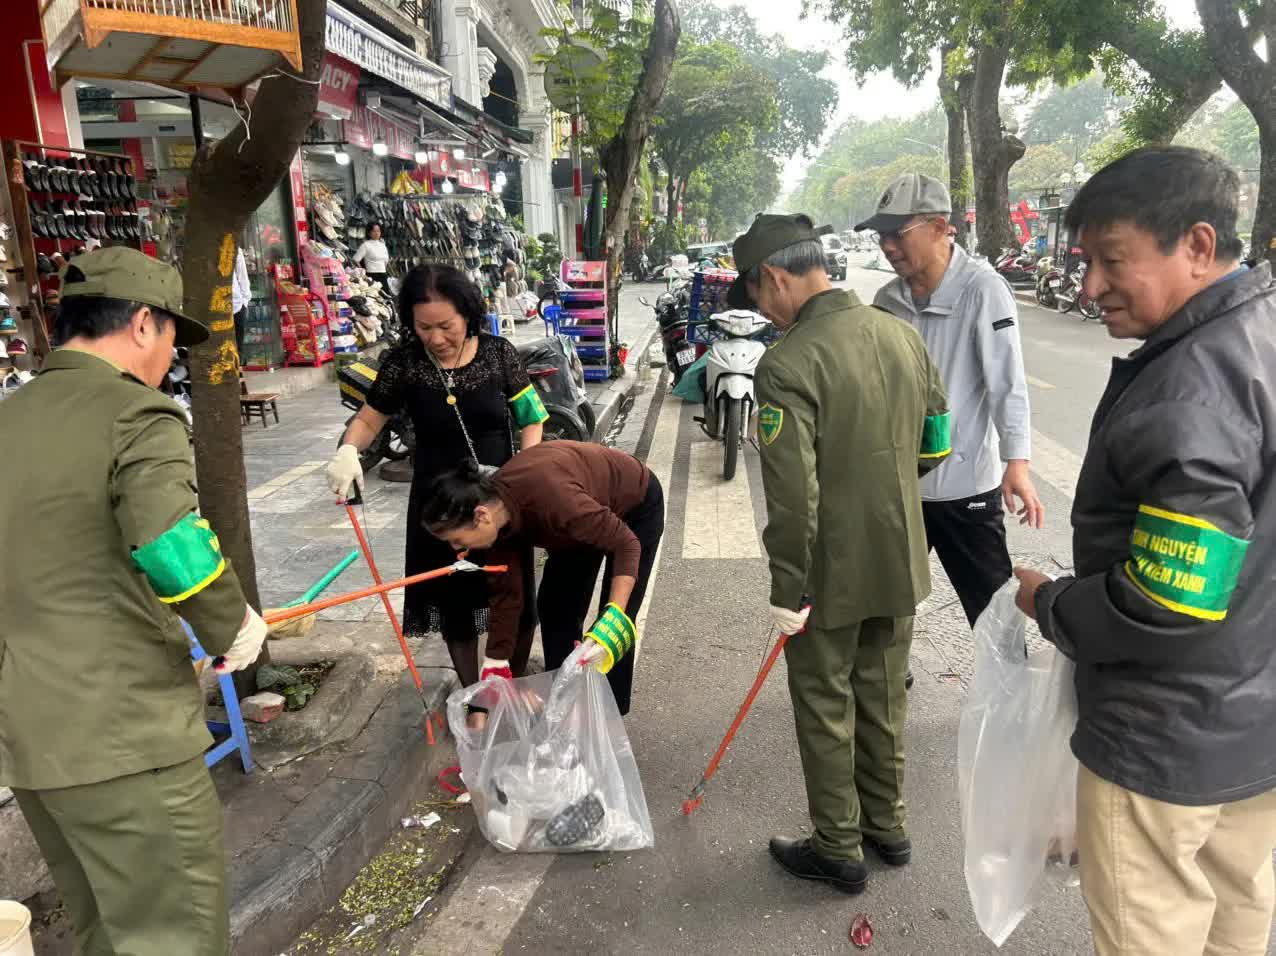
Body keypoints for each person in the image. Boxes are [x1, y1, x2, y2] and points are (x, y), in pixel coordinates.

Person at [1013, 146, 1276, 956]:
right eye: (1085, 260)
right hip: (1255, 722)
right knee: (1239, 927)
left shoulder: (1191, 388)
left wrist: (1047, 602)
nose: (1090, 287)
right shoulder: (1261, 329)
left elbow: (1169, 598)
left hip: (1165, 737)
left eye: (1111, 260)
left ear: (1197, 245)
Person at [0, 247, 267, 954]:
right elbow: (169, 541)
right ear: (143, 324)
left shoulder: (11, 417)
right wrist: (231, 625)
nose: (170, 358)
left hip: (31, 744)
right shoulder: (138, 415)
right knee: (169, 938)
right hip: (125, 739)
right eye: (173, 337)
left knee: (104, 933)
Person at [725, 214, 950, 894]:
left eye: (758, 295)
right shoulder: (901, 335)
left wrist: (788, 590)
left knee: (826, 704)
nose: (762, 311)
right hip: (901, 556)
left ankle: (839, 846)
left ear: (774, 277)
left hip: (827, 573)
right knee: (883, 695)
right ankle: (889, 826)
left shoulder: (789, 362)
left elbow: (793, 503)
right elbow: (936, 439)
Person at [327, 264, 547, 694]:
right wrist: (348, 450)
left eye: (446, 325)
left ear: (467, 313)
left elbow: (532, 417)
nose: (436, 337)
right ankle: (473, 692)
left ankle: (510, 687)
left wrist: (528, 472)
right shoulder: (404, 363)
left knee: (513, 597)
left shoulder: (498, 354)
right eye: (424, 326)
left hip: (497, 498)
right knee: (454, 602)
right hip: (439, 504)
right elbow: (369, 420)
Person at [866, 172, 1042, 631]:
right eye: (881, 234)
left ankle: (1009, 697)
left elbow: (1007, 382)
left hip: (965, 490)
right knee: (883, 602)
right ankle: (884, 685)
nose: (886, 245)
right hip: (900, 487)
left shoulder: (982, 290)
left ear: (941, 226)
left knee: (993, 615)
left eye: (897, 233)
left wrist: (1017, 462)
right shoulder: (886, 301)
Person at [420, 441, 665, 716]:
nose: (458, 550)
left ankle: (609, 717)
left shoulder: (554, 500)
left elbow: (626, 544)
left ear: (481, 516)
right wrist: (494, 667)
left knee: (611, 632)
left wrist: (613, 619)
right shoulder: (500, 525)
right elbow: (507, 598)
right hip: (578, 520)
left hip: (635, 506)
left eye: (456, 539)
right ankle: (566, 708)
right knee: (556, 607)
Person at [353, 223, 390, 295]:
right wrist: (363, 272)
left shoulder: (383, 246)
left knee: (386, 298)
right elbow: (355, 259)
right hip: (371, 275)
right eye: (374, 231)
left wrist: (381, 269)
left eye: (378, 231)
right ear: (369, 233)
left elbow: (386, 261)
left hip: (383, 275)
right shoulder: (365, 245)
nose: (376, 233)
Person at [232, 245, 251, 356]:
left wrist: (245, 301)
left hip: (237, 305)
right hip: (214, 308)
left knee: (237, 349)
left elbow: (242, 275)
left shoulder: (235, 249)